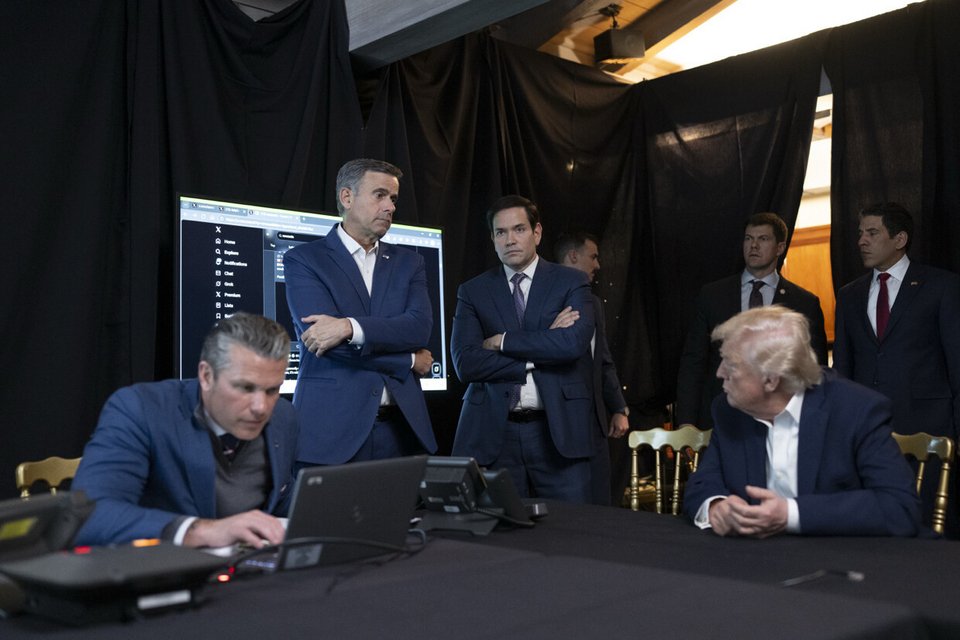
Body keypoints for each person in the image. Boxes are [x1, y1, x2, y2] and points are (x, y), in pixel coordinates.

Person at [683, 305, 921, 537]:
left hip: (843, 556)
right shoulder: (729, 408)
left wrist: (789, 514)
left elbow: (899, 506)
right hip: (754, 557)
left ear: (771, 380)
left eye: (731, 364)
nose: (720, 373)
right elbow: (703, 482)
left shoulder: (856, 410)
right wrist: (716, 506)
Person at [72, 313, 299, 548]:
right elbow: (90, 516)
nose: (261, 407)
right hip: (161, 565)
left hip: (250, 565)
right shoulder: (141, 410)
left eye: (272, 390)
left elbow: (279, 497)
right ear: (206, 376)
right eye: (245, 388)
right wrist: (200, 531)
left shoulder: (283, 417)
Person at [283, 159, 437, 466]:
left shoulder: (410, 263)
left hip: (402, 432)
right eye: (380, 195)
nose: (390, 207)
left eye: (393, 199)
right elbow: (326, 346)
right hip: (330, 433)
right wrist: (407, 360)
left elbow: (419, 328)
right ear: (347, 197)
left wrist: (349, 327)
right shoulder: (304, 260)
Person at [451, 195, 602, 502]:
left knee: (573, 527)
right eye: (501, 232)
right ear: (493, 239)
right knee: (498, 529)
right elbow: (466, 363)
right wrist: (542, 347)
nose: (510, 239)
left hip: (558, 432)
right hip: (494, 434)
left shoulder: (571, 282)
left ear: (537, 232)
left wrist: (502, 342)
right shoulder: (473, 291)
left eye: (519, 229)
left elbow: (572, 344)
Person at [676, 212, 828, 429]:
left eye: (763, 239)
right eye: (749, 238)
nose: (753, 245)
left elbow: (814, 368)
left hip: (781, 420)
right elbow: (693, 362)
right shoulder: (712, 295)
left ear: (780, 247)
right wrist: (686, 422)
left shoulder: (803, 302)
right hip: (721, 417)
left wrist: (814, 420)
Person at [833, 202, 960, 440]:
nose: (861, 241)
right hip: (867, 429)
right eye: (860, 233)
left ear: (900, 239)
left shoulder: (941, 286)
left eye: (872, 233)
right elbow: (842, 367)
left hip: (929, 428)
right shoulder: (849, 295)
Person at [555, 230, 629, 505]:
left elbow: (603, 359)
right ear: (574, 256)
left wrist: (618, 407)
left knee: (600, 503)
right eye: (593, 256)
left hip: (594, 422)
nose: (597, 265)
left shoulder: (593, 303)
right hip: (558, 422)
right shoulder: (544, 297)